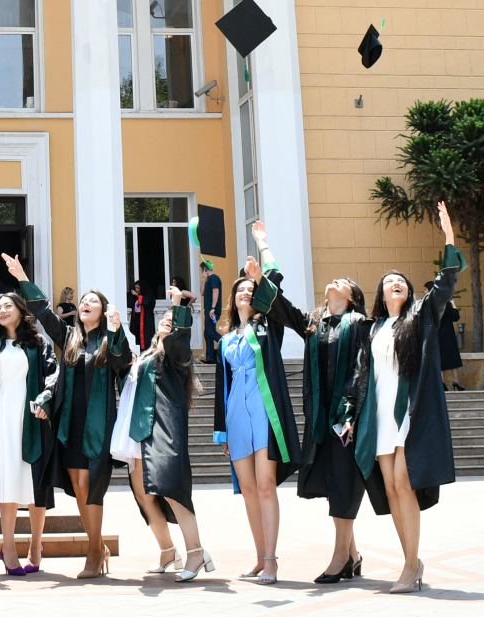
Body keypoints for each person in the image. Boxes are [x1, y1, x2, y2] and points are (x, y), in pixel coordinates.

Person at [344, 201, 462, 594]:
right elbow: (361, 375)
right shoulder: (372, 328)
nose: (395, 283)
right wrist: (349, 415)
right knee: (392, 489)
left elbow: (445, 282)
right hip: (379, 416)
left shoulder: (421, 316)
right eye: (389, 281)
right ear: (381, 292)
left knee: (403, 482)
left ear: (408, 291)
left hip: (409, 414)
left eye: (401, 281)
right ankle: (411, 560)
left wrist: (448, 235)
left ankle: (410, 566)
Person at [247, 245, 384, 584]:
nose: (334, 280)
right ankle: (353, 554)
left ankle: (340, 559)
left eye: (343, 281)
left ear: (352, 297)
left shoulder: (359, 324)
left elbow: (360, 369)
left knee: (344, 482)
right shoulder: (314, 324)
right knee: (335, 482)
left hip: (346, 417)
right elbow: (283, 309)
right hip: (321, 418)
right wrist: (259, 279)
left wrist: (348, 413)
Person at [6, 257, 131, 579]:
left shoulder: (109, 339)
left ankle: (94, 551)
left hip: (98, 424)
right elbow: (43, 312)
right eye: (84, 300)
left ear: (103, 311)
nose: (86, 304)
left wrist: (117, 330)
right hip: (70, 422)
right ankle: (97, 546)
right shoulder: (69, 338)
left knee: (91, 486)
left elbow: (123, 363)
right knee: (77, 484)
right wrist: (22, 278)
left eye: (93, 302)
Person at [211, 222, 301, 586]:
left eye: (251, 289)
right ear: (233, 299)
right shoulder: (225, 339)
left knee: (266, 485)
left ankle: (271, 559)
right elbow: (222, 387)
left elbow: (275, 279)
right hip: (237, 415)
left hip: (264, 411)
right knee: (247, 489)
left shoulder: (268, 326)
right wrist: (221, 432)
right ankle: (259, 557)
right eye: (241, 290)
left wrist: (262, 245)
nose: (246, 293)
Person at [110, 285, 212, 582]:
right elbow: (120, 367)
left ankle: (196, 551)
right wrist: (116, 328)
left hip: (163, 430)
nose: (168, 321)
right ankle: (168, 551)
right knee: (143, 496)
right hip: (137, 432)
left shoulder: (174, 356)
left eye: (173, 320)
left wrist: (178, 303)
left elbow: (180, 341)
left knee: (172, 490)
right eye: (165, 318)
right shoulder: (144, 355)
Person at [0, 259, 58, 576]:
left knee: (35, 480)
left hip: (32, 417)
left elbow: (53, 375)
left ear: (20, 310)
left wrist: (46, 399)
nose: (2, 311)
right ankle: (9, 547)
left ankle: (36, 543)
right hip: (1, 418)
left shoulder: (38, 344)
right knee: (6, 478)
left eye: (8, 306)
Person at [429, 280, 464, 391]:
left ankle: (442, 382)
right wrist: (452, 302)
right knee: (453, 358)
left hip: (435, 335)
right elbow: (456, 317)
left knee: (440, 357)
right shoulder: (445, 303)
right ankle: (456, 381)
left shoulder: (431, 304)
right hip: (448, 335)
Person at [202, 261, 223, 364]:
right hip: (208, 310)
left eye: (203, 269)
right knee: (207, 333)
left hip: (212, 310)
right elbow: (202, 293)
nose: (202, 271)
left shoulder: (214, 278)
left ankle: (227, 343)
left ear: (206, 269)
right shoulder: (208, 280)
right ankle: (210, 358)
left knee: (210, 332)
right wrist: (203, 280)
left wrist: (213, 308)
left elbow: (216, 291)